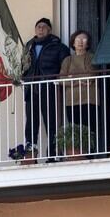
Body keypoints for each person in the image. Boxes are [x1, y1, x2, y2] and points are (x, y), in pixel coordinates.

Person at [23, 18, 70, 159]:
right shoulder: (28, 47)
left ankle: (54, 153)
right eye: (38, 27)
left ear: (49, 30)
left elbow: (65, 67)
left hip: (49, 88)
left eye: (44, 27)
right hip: (32, 89)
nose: (40, 29)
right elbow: (23, 66)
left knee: (52, 122)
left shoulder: (58, 47)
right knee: (31, 123)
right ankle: (31, 153)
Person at [59, 30, 98, 139]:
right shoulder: (67, 60)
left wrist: (71, 78)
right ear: (73, 43)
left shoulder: (92, 57)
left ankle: (89, 155)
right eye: (78, 39)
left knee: (90, 129)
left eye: (84, 39)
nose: (80, 42)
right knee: (75, 130)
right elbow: (61, 79)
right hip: (72, 100)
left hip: (89, 99)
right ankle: (78, 153)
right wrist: (78, 82)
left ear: (88, 43)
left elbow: (90, 75)